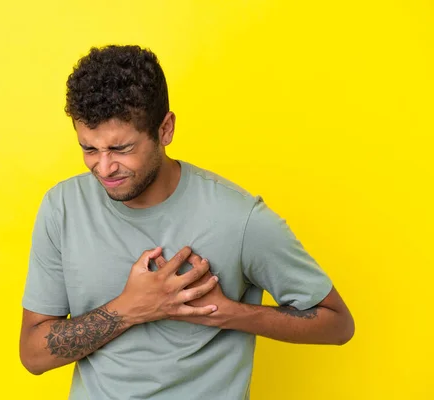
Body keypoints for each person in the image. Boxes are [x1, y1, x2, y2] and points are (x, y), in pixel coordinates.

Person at [19, 45, 354, 400]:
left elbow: (336, 324)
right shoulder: (63, 207)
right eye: (89, 149)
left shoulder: (238, 218)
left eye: (121, 149)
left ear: (165, 130)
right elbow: (33, 355)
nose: (103, 168)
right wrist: (130, 308)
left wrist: (228, 314)